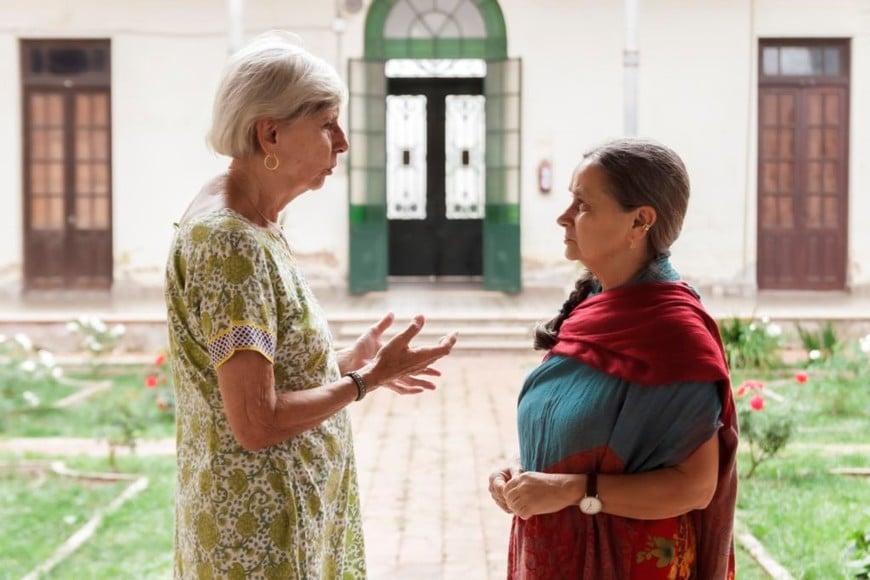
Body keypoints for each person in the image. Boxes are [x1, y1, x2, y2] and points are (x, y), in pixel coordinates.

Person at [164, 31, 457, 579]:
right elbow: (256, 421)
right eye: (327, 124)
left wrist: (347, 360)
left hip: (276, 519)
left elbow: (260, 375)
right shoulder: (231, 242)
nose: (342, 142)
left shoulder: (251, 220)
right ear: (270, 133)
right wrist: (366, 380)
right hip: (259, 536)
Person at [488, 138, 737, 579]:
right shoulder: (595, 307)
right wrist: (524, 475)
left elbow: (696, 487)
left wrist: (570, 490)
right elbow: (581, 431)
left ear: (640, 221)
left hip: (627, 562)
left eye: (583, 205)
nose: (564, 217)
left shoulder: (674, 334)